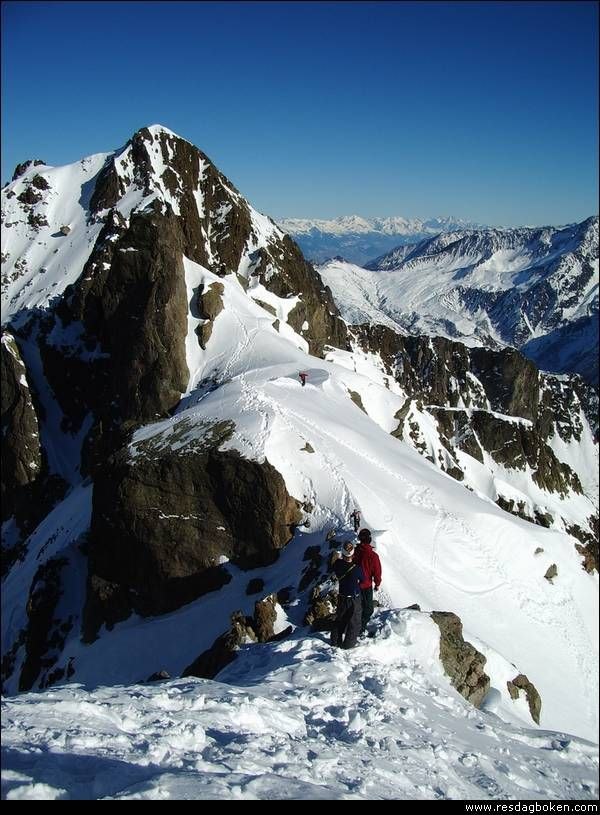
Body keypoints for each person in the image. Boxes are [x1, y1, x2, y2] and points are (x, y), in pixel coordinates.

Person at [331, 541, 364, 649]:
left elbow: (335, 564)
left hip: (341, 596)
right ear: (353, 554)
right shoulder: (356, 569)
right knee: (354, 623)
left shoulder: (337, 564)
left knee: (340, 619)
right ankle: (348, 646)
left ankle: (335, 642)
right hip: (354, 598)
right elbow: (363, 579)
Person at [353, 528, 382, 636]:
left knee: (356, 608)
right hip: (366, 586)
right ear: (369, 539)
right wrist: (377, 584)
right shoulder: (373, 556)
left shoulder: (355, 552)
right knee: (368, 609)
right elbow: (377, 572)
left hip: (354, 585)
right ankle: (360, 628)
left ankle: (354, 626)